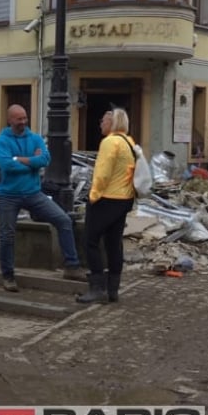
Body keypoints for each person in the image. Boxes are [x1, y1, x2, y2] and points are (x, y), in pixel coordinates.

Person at [0, 104, 82, 292]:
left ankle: (72, 266)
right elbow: (6, 165)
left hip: (33, 193)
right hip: (8, 195)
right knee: (7, 235)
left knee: (64, 220)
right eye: (19, 119)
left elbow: (45, 160)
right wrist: (31, 163)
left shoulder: (34, 138)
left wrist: (19, 159)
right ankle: (8, 275)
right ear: (10, 120)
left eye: (25, 118)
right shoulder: (1, 141)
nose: (23, 122)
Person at [77, 109, 135, 304]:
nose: (100, 124)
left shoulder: (110, 142)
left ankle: (97, 287)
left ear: (111, 123)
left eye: (102, 121)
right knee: (113, 242)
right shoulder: (129, 142)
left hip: (107, 198)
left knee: (90, 240)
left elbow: (102, 174)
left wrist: (93, 196)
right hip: (124, 199)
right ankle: (113, 289)